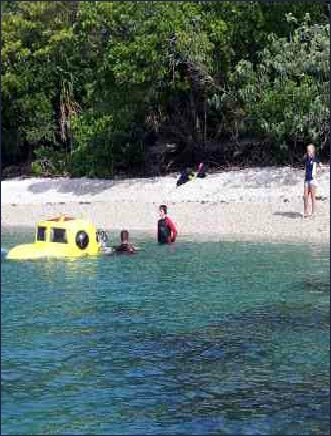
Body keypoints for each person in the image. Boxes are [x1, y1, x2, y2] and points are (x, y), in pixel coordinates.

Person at [303, 144, 322, 218]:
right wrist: (307, 156)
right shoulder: (306, 158)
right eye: (307, 150)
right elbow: (303, 161)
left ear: (313, 150)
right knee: (305, 196)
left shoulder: (315, 159)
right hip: (306, 179)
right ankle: (306, 212)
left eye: (309, 150)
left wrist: (320, 166)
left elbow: (320, 164)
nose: (308, 151)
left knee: (312, 197)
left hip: (312, 180)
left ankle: (313, 213)